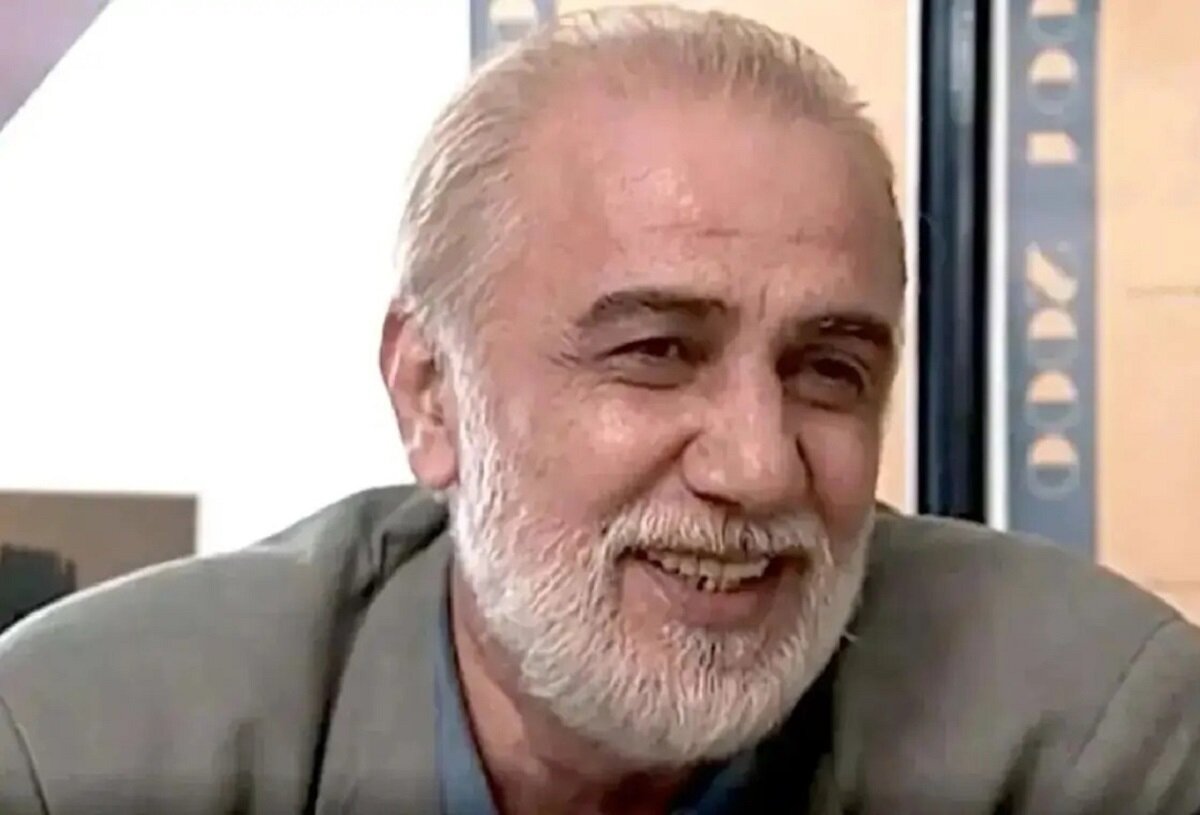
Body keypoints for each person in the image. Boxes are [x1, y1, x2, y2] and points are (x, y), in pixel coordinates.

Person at [2, 6, 1199, 814]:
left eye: (829, 369)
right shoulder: (80, 748)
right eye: (657, 352)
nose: (759, 466)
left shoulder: (1093, 739)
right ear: (430, 394)